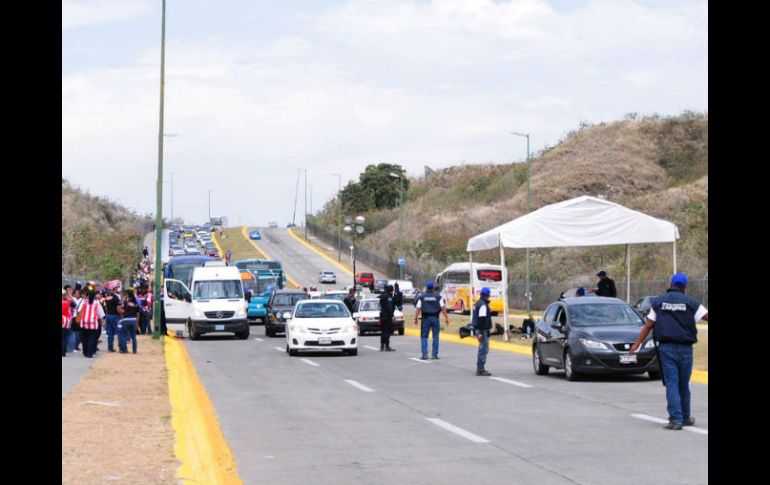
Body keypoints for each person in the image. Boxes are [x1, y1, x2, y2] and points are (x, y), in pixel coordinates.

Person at [630, 273, 708, 430]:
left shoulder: (658, 302)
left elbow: (648, 324)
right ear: (685, 286)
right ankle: (685, 417)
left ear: (671, 284)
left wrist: (636, 344)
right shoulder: (691, 302)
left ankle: (676, 419)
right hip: (686, 349)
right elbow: (706, 316)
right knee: (683, 384)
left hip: (666, 348)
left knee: (672, 382)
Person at [413, 281, 450, 360]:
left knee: (424, 337)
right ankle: (434, 355)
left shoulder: (422, 297)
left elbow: (418, 308)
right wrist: (446, 317)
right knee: (435, 337)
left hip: (426, 319)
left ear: (426, 287)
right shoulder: (438, 297)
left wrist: (415, 318)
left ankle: (425, 355)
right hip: (435, 318)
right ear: (433, 288)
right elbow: (443, 308)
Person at [471, 287, 493, 376]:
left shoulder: (478, 303)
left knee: (482, 348)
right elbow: (482, 318)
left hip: (479, 329)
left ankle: (480, 368)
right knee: (483, 349)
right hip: (482, 330)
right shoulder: (483, 305)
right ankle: (481, 369)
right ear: (488, 295)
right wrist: (481, 332)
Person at [79, 289, 105, 358]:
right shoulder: (97, 303)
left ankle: (85, 352)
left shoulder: (84, 302)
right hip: (93, 323)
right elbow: (101, 314)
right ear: (94, 296)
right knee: (92, 338)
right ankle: (89, 353)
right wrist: (102, 322)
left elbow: (79, 311)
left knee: (84, 338)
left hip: (84, 322)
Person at [118, 289, 140, 354]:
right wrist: (137, 323)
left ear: (128, 295)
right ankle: (134, 350)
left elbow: (123, 311)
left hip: (126, 320)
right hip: (133, 320)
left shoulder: (126, 302)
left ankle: (124, 350)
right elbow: (138, 314)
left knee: (123, 335)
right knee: (133, 336)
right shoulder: (136, 303)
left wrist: (119, 310)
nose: (125, 295)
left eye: (126, 294)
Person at [102, 285, 122, 352]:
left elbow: (106, 307)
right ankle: (121, 347)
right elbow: (118, 308)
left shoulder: (107, 297)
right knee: (119, 332)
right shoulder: (115, 297)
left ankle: (110, 348)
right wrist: (121, 314)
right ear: (113, 289)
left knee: (110, 333)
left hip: (108, 315)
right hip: (115, 316)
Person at [378, 285, 396, 351]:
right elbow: (390, 307)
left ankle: (382, 346)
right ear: (391, 290)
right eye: (393, 289)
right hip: (387, 316)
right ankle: (387, 346)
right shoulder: (389, 297)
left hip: (382, 316)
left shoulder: (383, 295)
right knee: (387, 331)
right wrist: (392, 316)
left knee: (383, 331)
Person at [62, 289, 72, 357]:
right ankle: (64, 352)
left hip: (62, 320)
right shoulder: (68, 302)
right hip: (67, 321)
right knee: (65, 337)